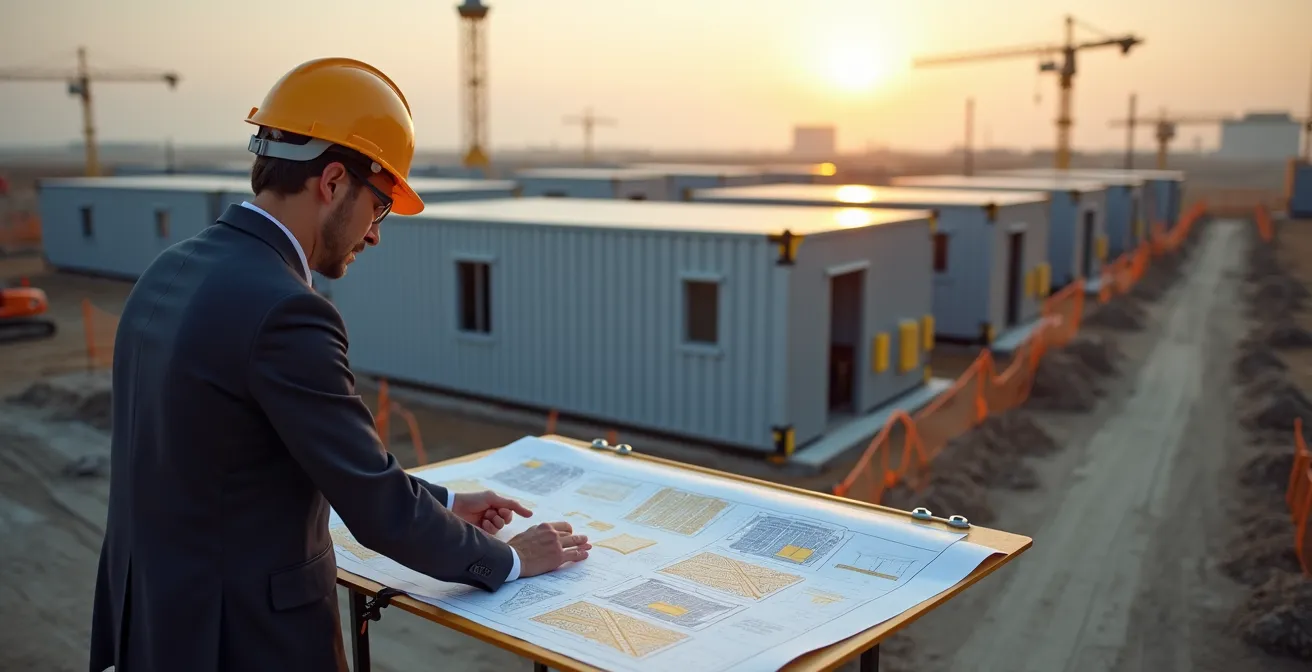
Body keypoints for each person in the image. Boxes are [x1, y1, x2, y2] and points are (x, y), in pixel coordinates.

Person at [87, 57, 591, 672]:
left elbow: (260, 464)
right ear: (331, 181)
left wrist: (445, 499)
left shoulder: (170, 270)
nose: (375, 233)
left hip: (153, 628)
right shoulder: (285, 310)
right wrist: (511, 559)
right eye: (379, 204)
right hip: (243, 642)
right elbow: (372, 504)